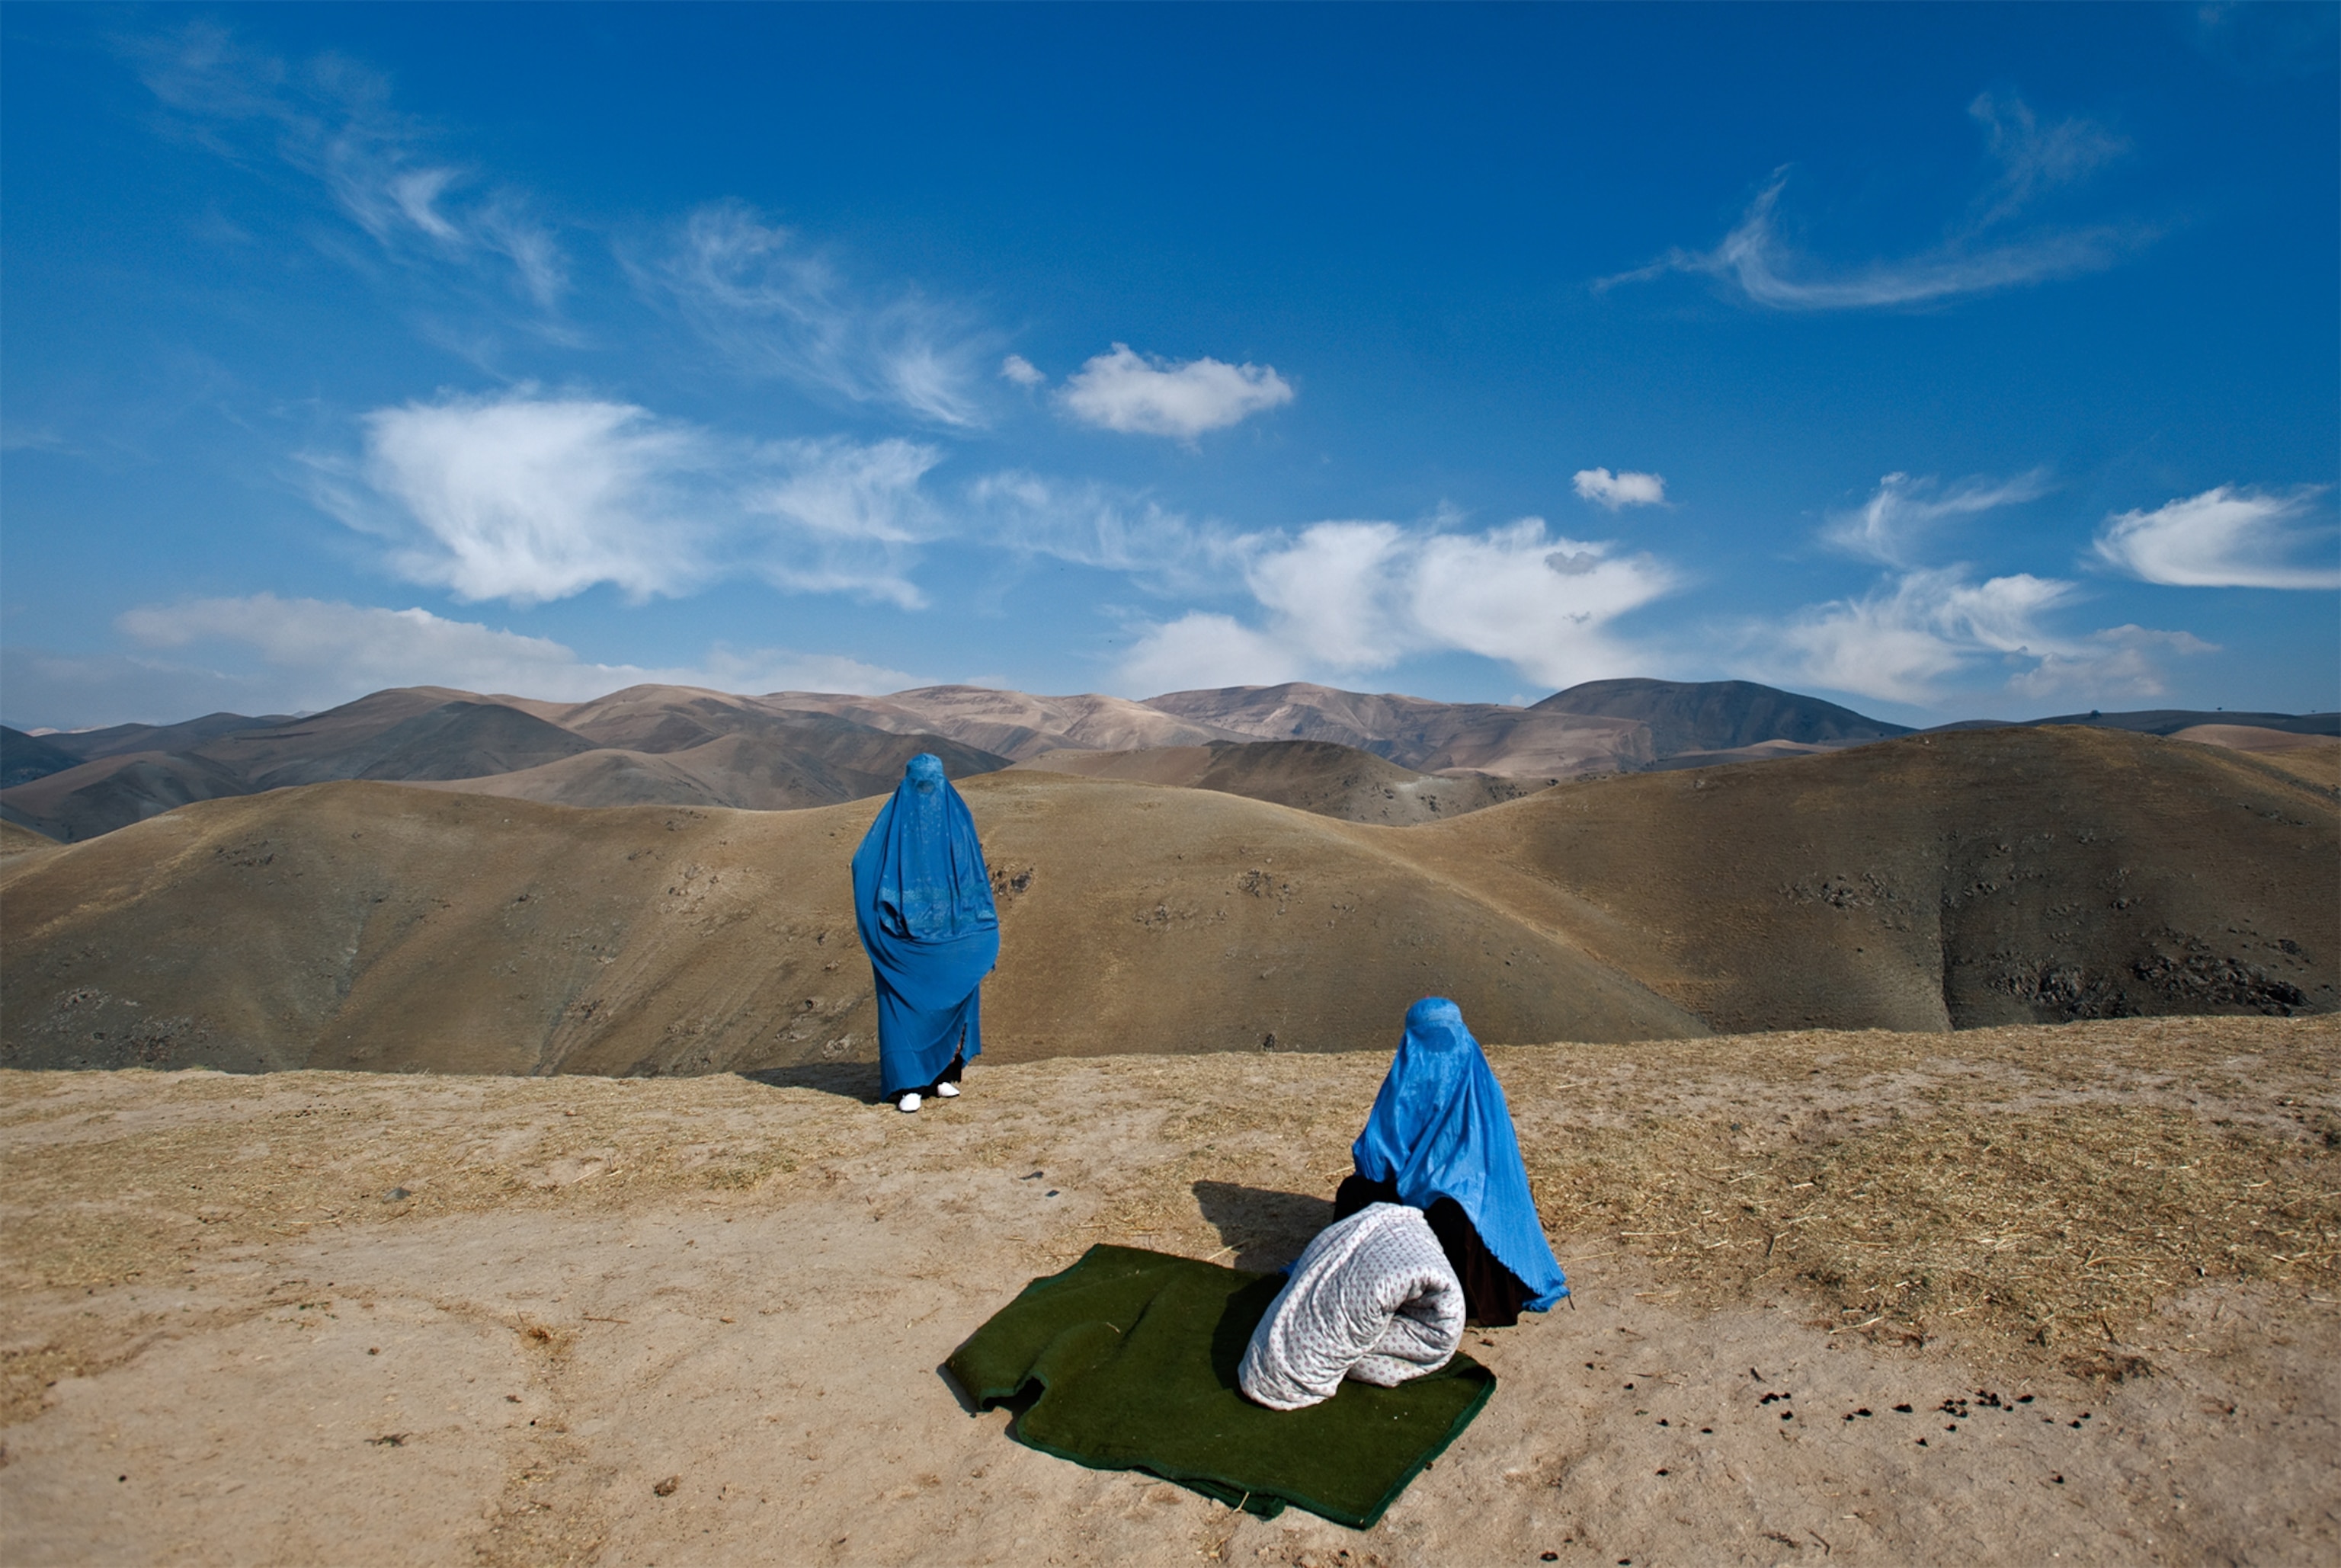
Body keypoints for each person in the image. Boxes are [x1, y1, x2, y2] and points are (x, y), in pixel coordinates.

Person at [1331, 997, 1569, 1326]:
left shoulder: (1479, 1089)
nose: (1437, 1053)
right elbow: (1378, 1148)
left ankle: (1447, 1303)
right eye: (1427, 1041)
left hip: (1468, 1197)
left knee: (1452, 1215)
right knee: (1354, 1191)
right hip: (1406, 1188)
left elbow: (1484, 1169)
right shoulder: (1404, 1079)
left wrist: (1434, 1186)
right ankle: (1351, 1285)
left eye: (1446, 1040)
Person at [850, 754, 1000, 1113]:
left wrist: (976, 925)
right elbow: (863, 864)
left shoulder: (958, 821)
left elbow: (973, 873)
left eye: (932, 785)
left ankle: (943, 1076)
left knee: (956, 997)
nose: (926, 792)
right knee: (904, 1010)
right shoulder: (891, 825)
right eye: (920, 785)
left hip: (953, 930)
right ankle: (908, 1085)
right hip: (901, 935)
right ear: (907, 785)